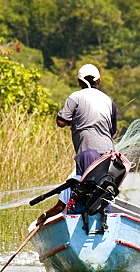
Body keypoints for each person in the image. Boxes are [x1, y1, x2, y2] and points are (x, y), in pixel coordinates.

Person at [43, 64, 118, 218]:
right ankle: (102, 219)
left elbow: (61, 122)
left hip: (87, 151)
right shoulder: (108, 100)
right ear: (99, 81)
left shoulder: (75, 97)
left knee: (83, 188)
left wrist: (78, 122)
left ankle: (81, 220)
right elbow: (113, 132)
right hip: (108, 153)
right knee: (102, 188)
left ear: (79, 82)